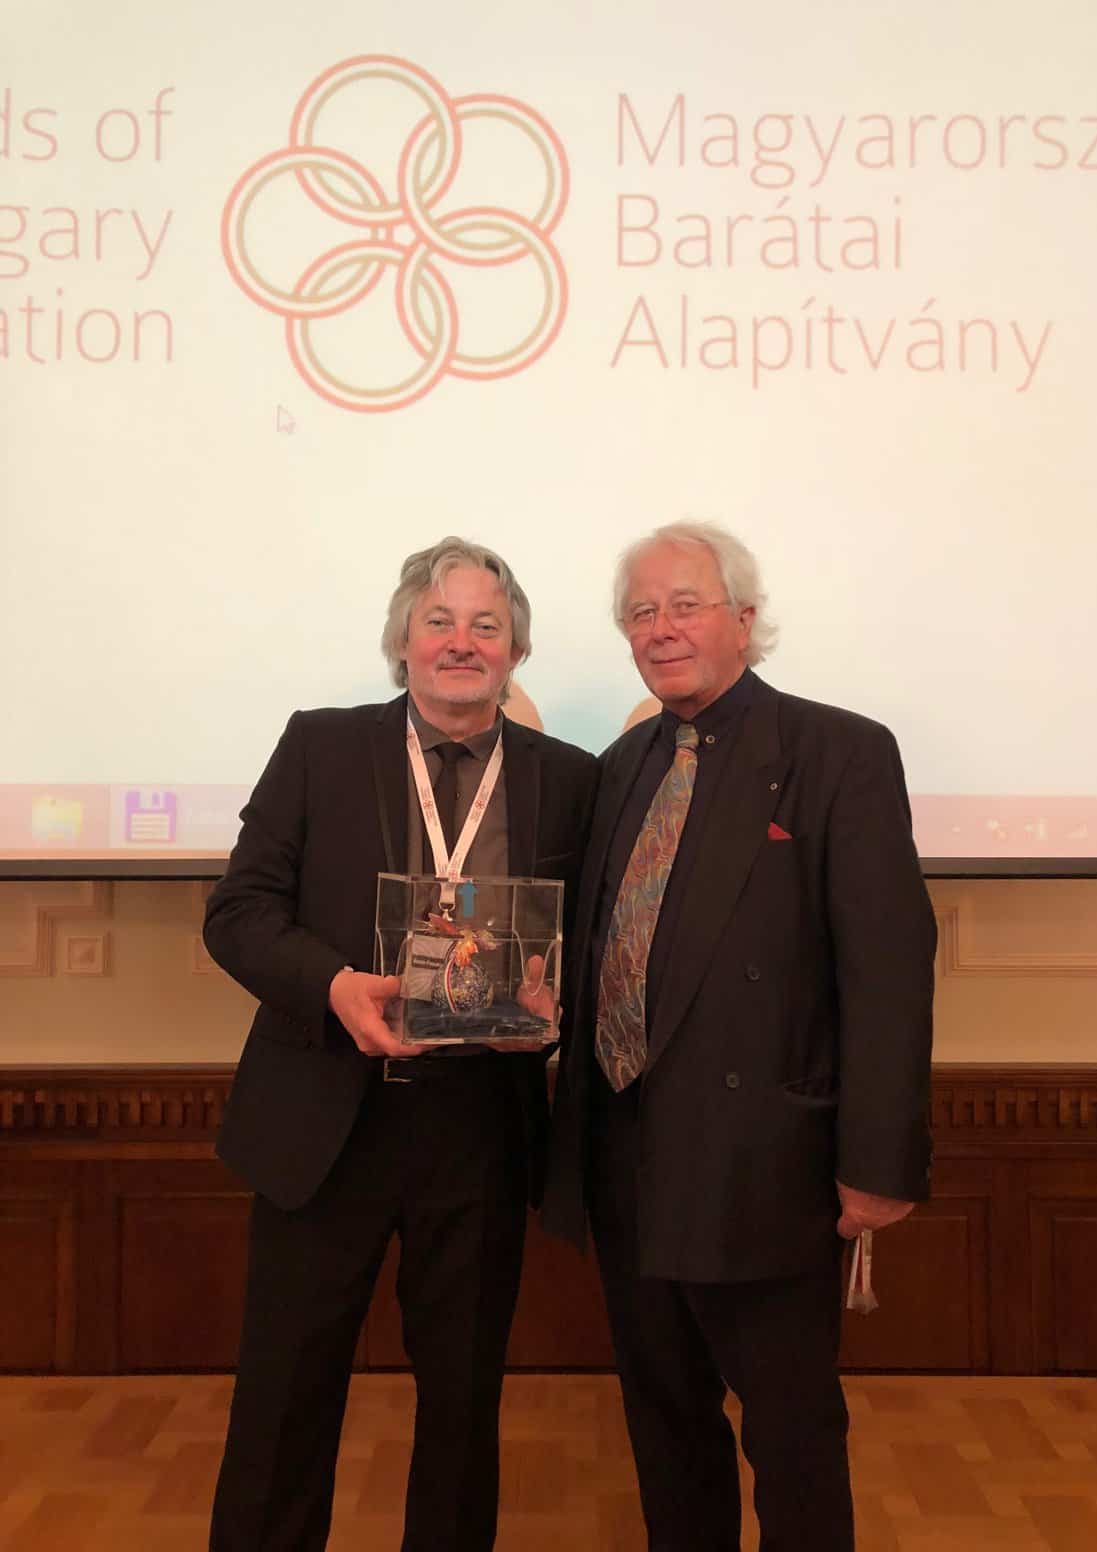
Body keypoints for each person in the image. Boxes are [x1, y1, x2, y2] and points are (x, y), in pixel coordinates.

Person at [542, 520, 936, 1552]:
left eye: (686, 604)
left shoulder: (838, 752)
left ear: (745, 618)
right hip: (626, 1163)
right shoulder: (620, 767)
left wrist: (877, 1164)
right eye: (641, 611)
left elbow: (889, 971)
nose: (661, 628)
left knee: (792, 1437)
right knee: (665, 1429)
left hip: (767, 1171)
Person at [205, 537, 597, 1552]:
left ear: (515, 651)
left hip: (479, 1130)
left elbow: (592, 945)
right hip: (323, 1121)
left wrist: (556, 1008)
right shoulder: (320, 747)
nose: (462, 643)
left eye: (486, 625)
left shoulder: (571, 779)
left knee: (463, 1407)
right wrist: (334, 985)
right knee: (283, 1401)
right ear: (404, 640)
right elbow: (238, 913)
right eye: (440, 622)